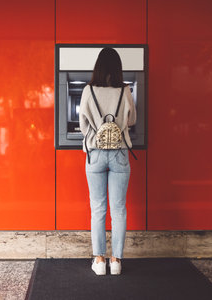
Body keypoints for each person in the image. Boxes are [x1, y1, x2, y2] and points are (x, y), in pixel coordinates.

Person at [78, 47, 137, 276]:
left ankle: (99, 260)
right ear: (118, 68)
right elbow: (131, 120)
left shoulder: (87, 90)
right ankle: (116, 261)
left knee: (98, 208)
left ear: (98, 67)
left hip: (95, 153)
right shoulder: (125, 90)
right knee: (119, 209)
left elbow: (83, 124)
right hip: (120, 152)